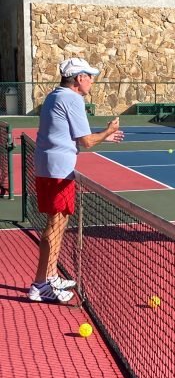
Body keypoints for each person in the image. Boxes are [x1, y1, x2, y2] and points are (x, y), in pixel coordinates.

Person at [28, 57, 124, 303]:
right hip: (58, 171)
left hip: (49, 166)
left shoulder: (54, 96)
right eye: (89, 76)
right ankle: (41, 284)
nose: (92, 81)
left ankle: (49, 275)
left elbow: (70, 134)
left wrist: (105, 137)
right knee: (55, 225)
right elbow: (87, 141)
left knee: (58, 222)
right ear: (79, 79)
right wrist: (108, 131)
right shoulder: (72, 99)